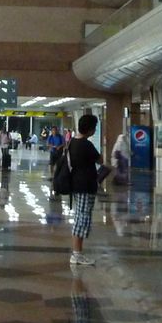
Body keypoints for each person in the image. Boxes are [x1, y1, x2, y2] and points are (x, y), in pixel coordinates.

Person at [67, 114, 102, 267]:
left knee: (81, 216)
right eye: (94, 127)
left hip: (77, 185)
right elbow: (100, 160)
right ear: (90, 129)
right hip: (85, 186)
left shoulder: (72, 142)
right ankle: (77, 254)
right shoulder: (86, 145)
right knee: (82, 219)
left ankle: (78, 253)